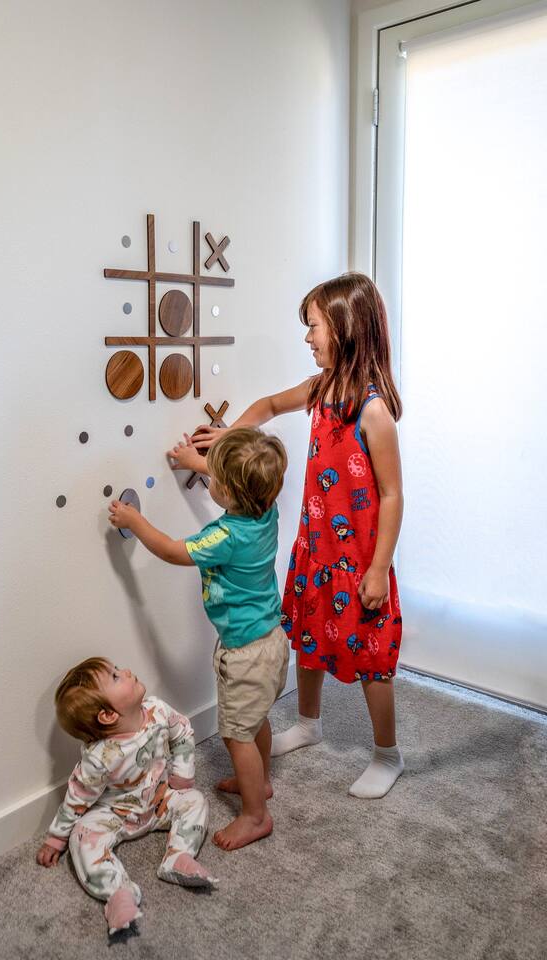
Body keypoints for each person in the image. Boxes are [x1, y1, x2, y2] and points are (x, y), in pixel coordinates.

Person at [188, 273, 405, 799]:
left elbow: (393, 495)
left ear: (346, 329)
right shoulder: (319, 390)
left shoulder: (372, 411)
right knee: (309, 639)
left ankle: (387, 753)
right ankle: (309, 722)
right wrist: (228, 440)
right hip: (314, 549)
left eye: (313, 328)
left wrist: (378, 568)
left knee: (369, 657)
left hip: (357, 559)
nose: (306, 339)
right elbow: (265, 406)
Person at [109, 427, 289, 850]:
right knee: (255, 720)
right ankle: (258, 783)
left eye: (215, 480)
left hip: (245, 652)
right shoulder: (267, 510)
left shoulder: (225, 537)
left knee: (236, 734)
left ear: (230, 492)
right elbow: (238, 481)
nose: (212, 484)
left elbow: (173, 550)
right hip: (270, 640)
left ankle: (255, 816)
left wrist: (135, 522)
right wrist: (197, 462)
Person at [36, 657, 217, 940]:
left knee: (195, 800)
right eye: (116, 676)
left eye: (117, 669)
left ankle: (178, 856)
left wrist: (182, 776)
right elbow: (77, 797)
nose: (126, 671)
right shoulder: (100, 757)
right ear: (107, 715)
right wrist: (56, 837)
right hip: (114, 813)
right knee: (81, 838)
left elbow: (182, 732)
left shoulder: (157, 711)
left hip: (158, 801)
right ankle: (117, 892)